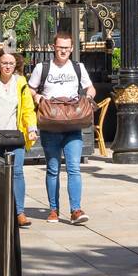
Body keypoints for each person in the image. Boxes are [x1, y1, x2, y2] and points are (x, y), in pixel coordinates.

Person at [28, 31, 95, 225]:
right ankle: (53, 210)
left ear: (72, 48)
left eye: (66, 48)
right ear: (53, 48)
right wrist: (37, 97)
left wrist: (88, 98)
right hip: (51, 124)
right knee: (53, 168)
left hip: (73, 124)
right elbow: (31, 89)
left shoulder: (78, 67)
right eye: (60, 48)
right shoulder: (43, 67)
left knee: (74, 168)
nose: (63, 51)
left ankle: (75, 210)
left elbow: (90, 88)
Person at [0, 48, 38, 228]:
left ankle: (19, 213)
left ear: (15, 65)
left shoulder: (21, 84)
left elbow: (27, 110)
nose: (8, 66)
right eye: (4, 63)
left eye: (11, 63)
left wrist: (32, 128)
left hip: (15, 135)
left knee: (17, 172)